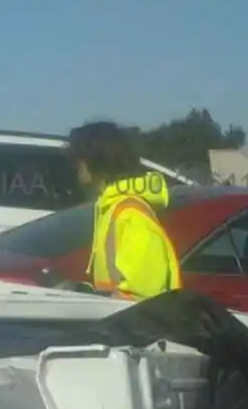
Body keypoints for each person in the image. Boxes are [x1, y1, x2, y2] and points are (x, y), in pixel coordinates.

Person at [67, 121, 181, 300]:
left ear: (96, 159)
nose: (75, 165)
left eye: (78, 158)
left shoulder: (130, 217)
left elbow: (142, 298)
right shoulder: (111, 210)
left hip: (131, 326)